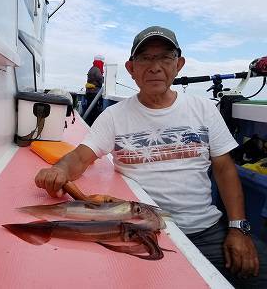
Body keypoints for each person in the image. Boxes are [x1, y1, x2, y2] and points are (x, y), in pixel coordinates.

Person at [35, 26, 267, 288]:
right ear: (131, 68)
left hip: (206, 229)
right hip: (140, 231)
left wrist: (238, 228)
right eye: (145, 58)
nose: (155, 66)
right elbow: (79, 158)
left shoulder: (203, 109)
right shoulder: (114, 116)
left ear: (179, 64)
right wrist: (60, 170)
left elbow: (224, 169)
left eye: (165, 57)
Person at [84, 55, 105, 126]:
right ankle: (92, 124)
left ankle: (89, 123)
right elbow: (100, 80)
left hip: (89, 92)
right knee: (94, 110)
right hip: (94, 93)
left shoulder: (92, 69)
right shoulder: (97, 70)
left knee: (90, 108)